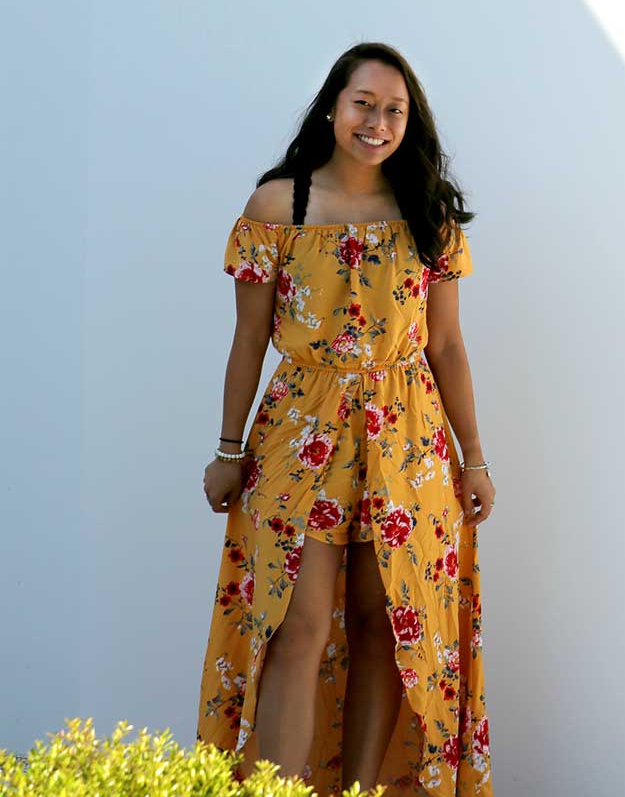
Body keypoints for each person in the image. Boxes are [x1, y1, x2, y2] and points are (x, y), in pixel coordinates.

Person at [196, 42, 496, 797]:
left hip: (409, 441)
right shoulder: (277, 207)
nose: (377, 122)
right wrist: (227, 450)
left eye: (395, 110)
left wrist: (475, 458)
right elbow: (248, 340)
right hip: (301, 434)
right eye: (364, 103)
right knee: (295, 628)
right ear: (333, 105)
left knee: (383, 627)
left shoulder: (427, 212)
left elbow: (447, 346)